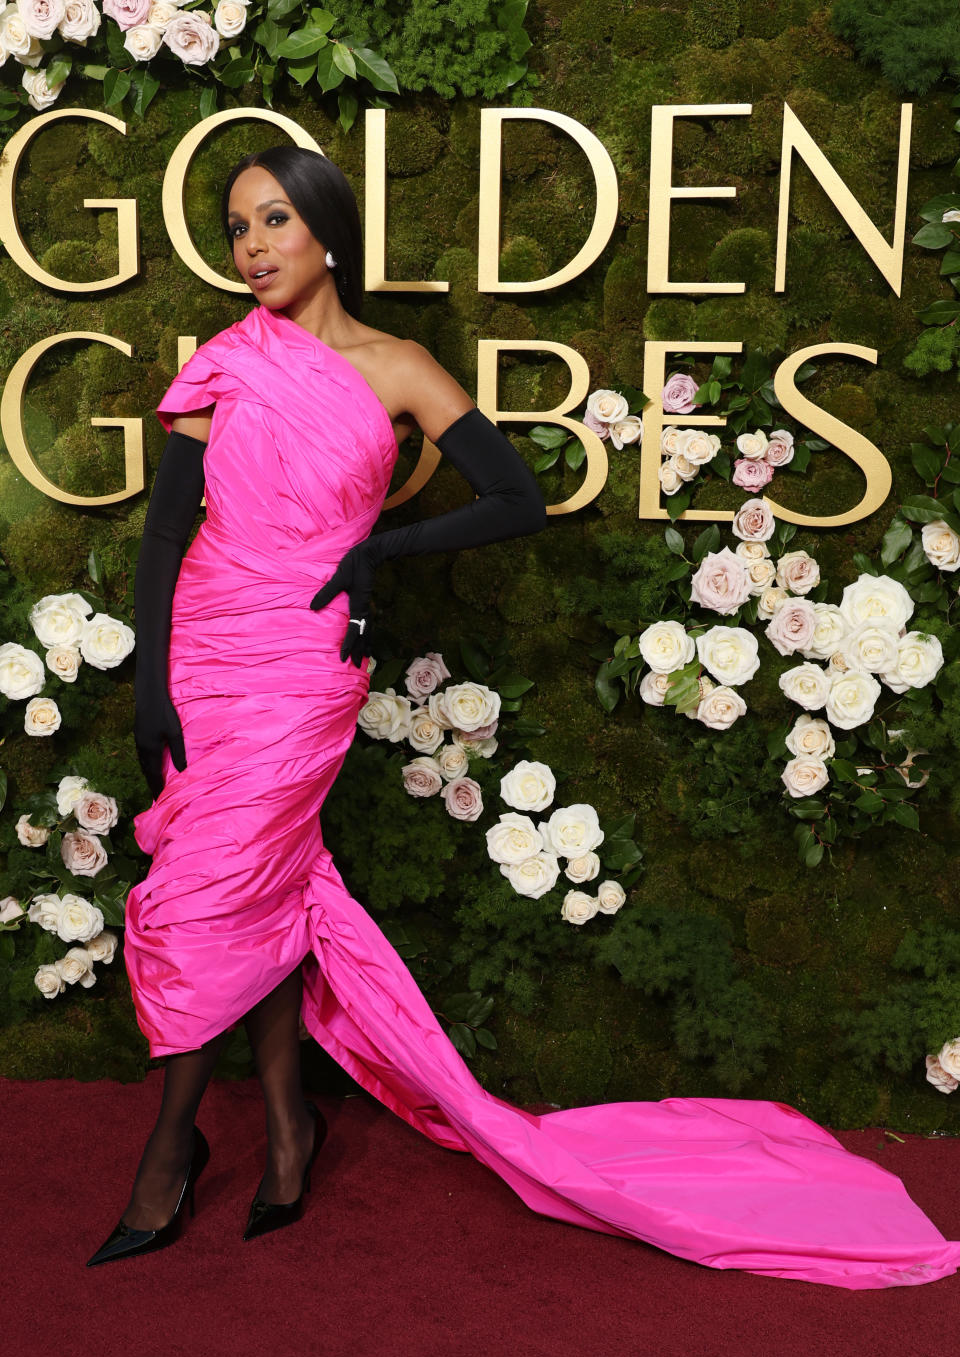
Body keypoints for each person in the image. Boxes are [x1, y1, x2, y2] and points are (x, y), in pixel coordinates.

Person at [87, 146, 960, 1289]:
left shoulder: (401, 368)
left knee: (221, 886)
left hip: (304, 665)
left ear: (328, 235)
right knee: (255, 882)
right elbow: (163, 535)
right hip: (207, 646)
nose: (251, 247)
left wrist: (381, 551)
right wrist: (152, 678)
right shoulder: (225, 364)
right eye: (238, 226)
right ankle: (289, 1128)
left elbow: (517, 497)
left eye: (274, 222)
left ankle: (168, 1154)